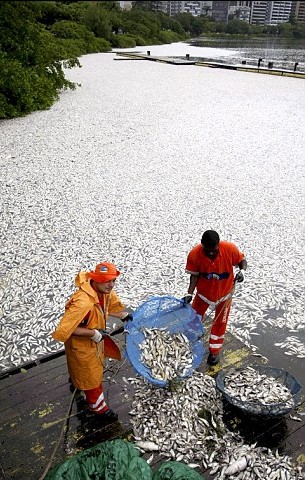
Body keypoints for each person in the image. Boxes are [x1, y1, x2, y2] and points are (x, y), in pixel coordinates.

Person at [52, 261, 133, 422]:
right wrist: (92, 333)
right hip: (81, 345)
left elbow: (106, 307)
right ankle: (99, 408)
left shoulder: (103, 292)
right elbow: (66, 329)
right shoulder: (83, 303)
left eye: (113, 280)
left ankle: (76, 381)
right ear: (95, 280)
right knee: (92, 377)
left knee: (80, 369)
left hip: (92, 342)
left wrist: (122, 315)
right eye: (106, 281)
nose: (111, 285)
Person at [183, 230, 247, 366]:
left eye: (214, 250)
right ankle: (189, 340)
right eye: (208, 250)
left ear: (218, 244)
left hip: (224, 295)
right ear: (202, 245)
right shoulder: (195, 254)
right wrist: (189, 293)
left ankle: (214, 351)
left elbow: (242, 261)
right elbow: (194, 276)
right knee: (194, 317)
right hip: (203, 294)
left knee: (220, 323)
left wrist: (242, 272)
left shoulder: (230, 249)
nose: (211, 253)